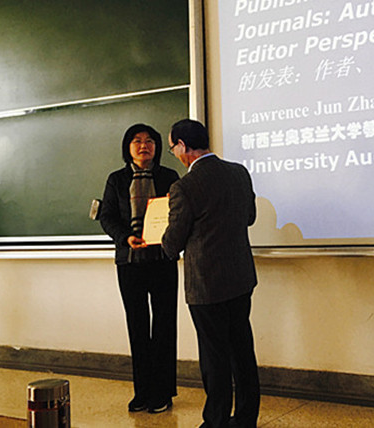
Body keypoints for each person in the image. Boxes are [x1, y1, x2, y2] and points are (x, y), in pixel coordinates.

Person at [162, 119, 260, 428]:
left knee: (214, 356)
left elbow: (173, 243)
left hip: (206, 286)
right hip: (241, 278)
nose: (174, 154)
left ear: (183, 146)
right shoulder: (239, 173)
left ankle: (216, 421)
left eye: (173, 148)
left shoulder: (183, 187)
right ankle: (246, 419)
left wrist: (162, 241)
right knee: (242, 350)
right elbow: (250, 217)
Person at [100, 123, 179, 413]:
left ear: (157, 147)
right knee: (137, 327)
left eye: (150, 141)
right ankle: (142, 391)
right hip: (130, 262)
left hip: (162, 260)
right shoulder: (116, 180)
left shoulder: (169, 177)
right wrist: (125, 238)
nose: (144, 145)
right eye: (137, 140)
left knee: (164, 326)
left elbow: (179, 214)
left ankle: (163, 392)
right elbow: (107, 217)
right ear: (128, 147)